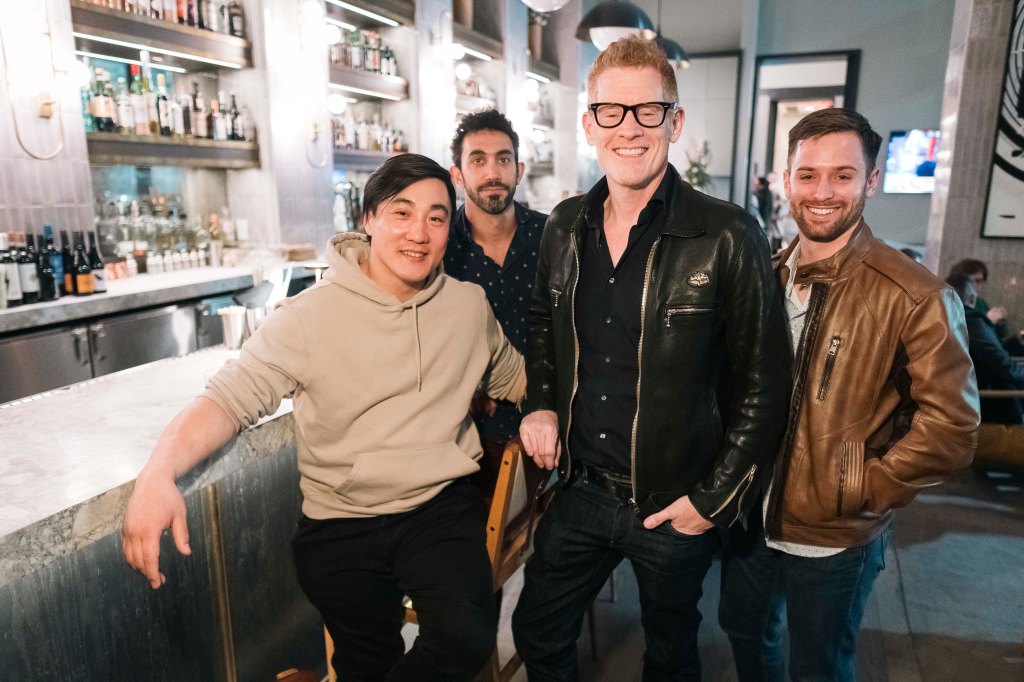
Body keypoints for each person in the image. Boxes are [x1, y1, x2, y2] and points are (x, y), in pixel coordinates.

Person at [121, 154, 526, 681]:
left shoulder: (468, 306)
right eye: (402, 213)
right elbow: (227, 400)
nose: (419, 232)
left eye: (436, 216)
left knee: (465, 640)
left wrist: (547, 408)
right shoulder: (307, 316)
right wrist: (158, 473)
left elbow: (517, 379)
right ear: (369, 218)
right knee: (365, 662)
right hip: (342, 519)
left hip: (437, 508)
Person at [511, 35, 790, 680]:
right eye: (611, 111)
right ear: (588, 123)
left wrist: (711, 500)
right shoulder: (564, 226)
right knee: (537, 630)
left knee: (669, 652)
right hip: (581, 490)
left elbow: (765, 383)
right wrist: (542, 402)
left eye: (648, 111)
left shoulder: (726, 234)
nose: (629, 128)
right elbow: (540, 326)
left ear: (675, 121)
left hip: (674, 501)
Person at [718, 108, 979, 682]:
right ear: (786, 181)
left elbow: (953, 430)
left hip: (833, 535)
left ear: (871, 180)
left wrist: (860, 485)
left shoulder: (915, 294)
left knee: (818, 666)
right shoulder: (763, 272)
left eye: (842, 175)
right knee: (744, 636)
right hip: (749, 516)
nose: (822, 192)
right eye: (808, 175)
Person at [444, 108, 547, 491]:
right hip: (466, 436)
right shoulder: (438, 246)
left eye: (503, 159)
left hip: (548, 424)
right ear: (457, 175)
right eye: (478, 160)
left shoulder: (551, 236)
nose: (492, 173)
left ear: (519, 170)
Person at [947, 271, 1024, 424]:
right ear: (972, 297)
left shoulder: (947, 318)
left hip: (964, 396)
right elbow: (1002, 364)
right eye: (976, 281)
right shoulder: (971, 321)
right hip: (986, 400)